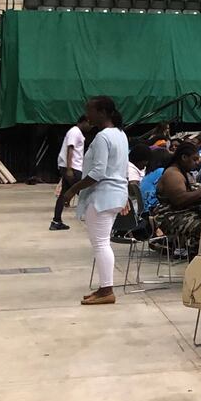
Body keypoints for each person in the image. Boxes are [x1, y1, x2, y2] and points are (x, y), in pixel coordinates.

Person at [59, 96, 130, 306]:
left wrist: (71, 190)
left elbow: (98, 172)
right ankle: (103, 288)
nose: (87, 115)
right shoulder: (120, 134)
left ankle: (107, 290)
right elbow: (121, 168)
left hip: (103, 196)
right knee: (102, 243)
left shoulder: (103, 137)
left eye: (90, 110)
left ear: (103, 112)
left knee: (100, 244)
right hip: (115, 194)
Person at [153, 140, 201, 252]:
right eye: (194, 159)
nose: (197, 162)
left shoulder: (182, 172)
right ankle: (181, 245)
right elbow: (180, 200)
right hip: (170, 216)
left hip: (179, 213)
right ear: (184, 157)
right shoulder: (173, 174)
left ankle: (179, 244)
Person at [50, 116, 88, 231]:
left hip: (71, 166)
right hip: (72, 167)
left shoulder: (76, 132)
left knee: (64, 194)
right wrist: (69, 169)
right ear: (84, 122)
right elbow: (70, 149)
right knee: (84, 191)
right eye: (89, 124)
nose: (90, 127)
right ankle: (96, 218)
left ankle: (56, 221)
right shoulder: (74, 132)